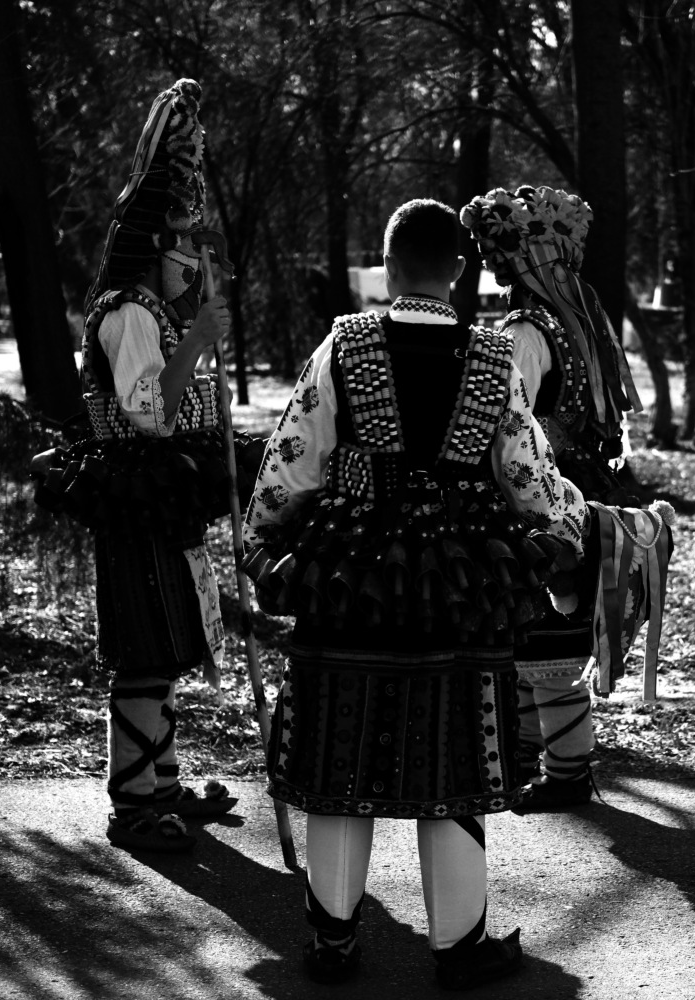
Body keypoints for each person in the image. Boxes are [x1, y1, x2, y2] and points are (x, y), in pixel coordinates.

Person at [242, 198, 588, 988]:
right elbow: (528, 472)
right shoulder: (492, 357)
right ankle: (459, 948)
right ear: (459, 271)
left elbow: (294, 456)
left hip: (348, 575)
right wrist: (563, 524)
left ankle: (333, 942)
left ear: (389, 264)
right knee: (456, 754)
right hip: (462, 580)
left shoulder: (343, 345)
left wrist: (262, 540)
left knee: (339, 755)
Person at [33, 79, 238, 853]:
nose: (196, 262)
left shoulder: (155, 312)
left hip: (166, 500)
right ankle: (132, 802)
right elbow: (148, 411)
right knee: (146, 652)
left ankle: (161, 782)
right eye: (186, 247)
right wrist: (197, 343)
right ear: (155, 245)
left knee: (169, 643)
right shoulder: (127, 312)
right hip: (136, 501)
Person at [460, 185, 643, 811]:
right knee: (550, 628)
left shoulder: (523, 332)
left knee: (544, 633)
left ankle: (564, 773)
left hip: (538, 493)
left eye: (500, 264)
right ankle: (539, 757)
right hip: (583, 486)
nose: (497, 276)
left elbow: (506, 423)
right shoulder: (582, 323)